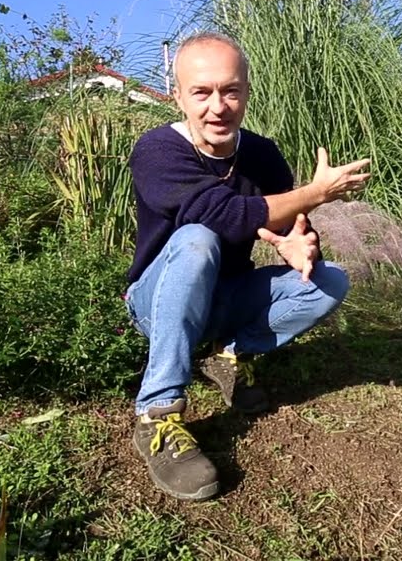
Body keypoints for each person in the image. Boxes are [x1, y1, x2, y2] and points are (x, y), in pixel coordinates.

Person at [124, 31, 371, 501]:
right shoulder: (158, 150)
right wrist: (317, 191)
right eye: (201, 92)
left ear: (246, 92)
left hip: (226, 294)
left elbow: (289, 222)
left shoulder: (262, 154)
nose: (217, 106)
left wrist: (301, 244)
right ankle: (157, 414)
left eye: (230, 90)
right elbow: (225, 217)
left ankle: (229, 355)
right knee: (197, 239)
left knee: (330, 281)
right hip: (157, 302)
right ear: (178, 96)